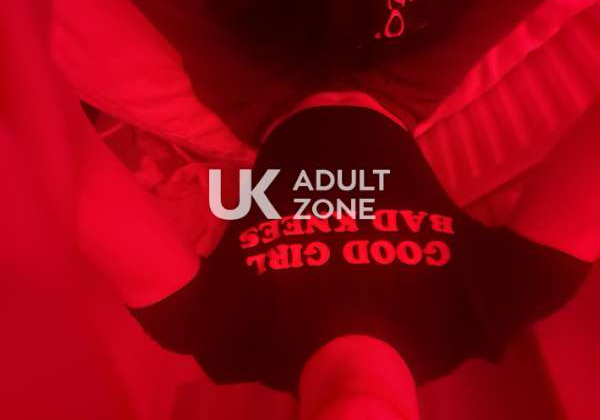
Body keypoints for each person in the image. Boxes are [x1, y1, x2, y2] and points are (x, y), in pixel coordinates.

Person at [129, 94, 593, 420]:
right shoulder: (496, 304)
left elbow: (88, 186)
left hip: (256, 84)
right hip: (405, 71)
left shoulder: (217, 334)